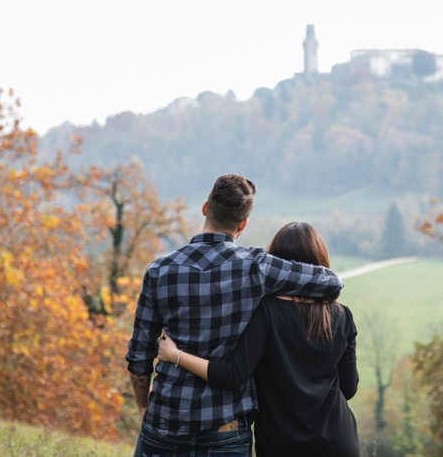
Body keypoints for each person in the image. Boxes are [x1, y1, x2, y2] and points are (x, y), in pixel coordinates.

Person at [126, 175, 344, 457]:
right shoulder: (257, 268)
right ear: (243, 224)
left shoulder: (159, 271)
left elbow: (139, 356)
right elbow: (332, 282)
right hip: (226, 429)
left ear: (205, 208)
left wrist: (143, 405)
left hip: (165, 420)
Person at [157, 221, 360, 457]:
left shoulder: (265, 310)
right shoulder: (342, 315)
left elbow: (232, 374)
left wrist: (175, 355)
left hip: (282, 444)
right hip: (339, 442)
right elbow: (349, 387)